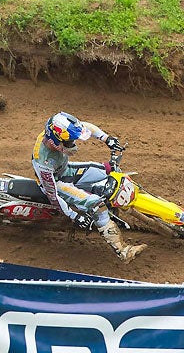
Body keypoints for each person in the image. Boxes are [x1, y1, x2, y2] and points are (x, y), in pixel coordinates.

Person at [31, 112, 148, 263]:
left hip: (65, 170)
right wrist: (74, 216)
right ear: (55, 142)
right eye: (70, 142)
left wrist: (107, 139)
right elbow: (52, 195)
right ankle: (123, 252)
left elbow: (87, 127)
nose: (74, 144)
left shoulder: (57, 131)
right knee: (97, 206)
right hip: (56, 183)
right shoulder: (43, 163)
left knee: (111, 169)